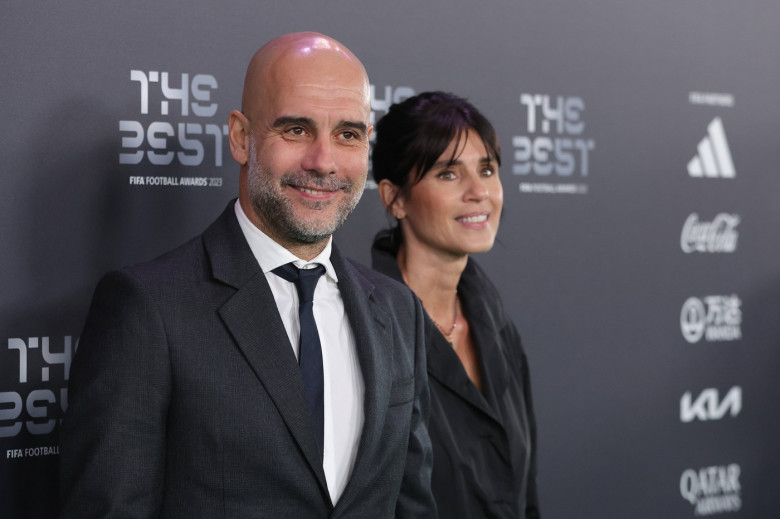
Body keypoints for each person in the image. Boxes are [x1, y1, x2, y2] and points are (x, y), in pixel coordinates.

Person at [59, 32, 435, 518]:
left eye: (347, 134)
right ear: (241, 137)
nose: (323, 162)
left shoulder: (398, 310)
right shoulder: (149, 307)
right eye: (296, 129)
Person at [371, 91, 541, 518]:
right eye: (448, 174)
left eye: (487, 169)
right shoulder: (369, 337)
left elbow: (526, 498)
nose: (479, 191)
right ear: (395, 198)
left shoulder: (498, 328)